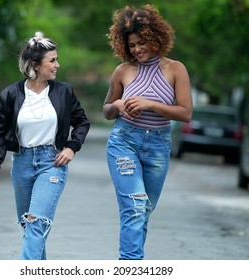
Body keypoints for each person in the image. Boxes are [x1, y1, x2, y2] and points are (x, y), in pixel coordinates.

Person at [0, 31, 90, 260]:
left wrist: (72, 146)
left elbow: (81, 122)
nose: (57, 65)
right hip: (22, 163)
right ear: (35, 64)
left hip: (51, 162)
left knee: (36, 222)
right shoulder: (11, 94)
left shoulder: (64, 92)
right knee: (30, 227)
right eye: (52, 60)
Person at [103, 4, 193, 260]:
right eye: (132, 45)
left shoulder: (176, 69)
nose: (137, 49)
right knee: (134, 206)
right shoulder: (122, 71)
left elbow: (186, 113)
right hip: (124, 141)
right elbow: (106, 110)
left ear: (155, 37)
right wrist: (117, 106)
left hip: (158, 145)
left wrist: (150, 104)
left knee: (143, 209)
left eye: (141, 42)